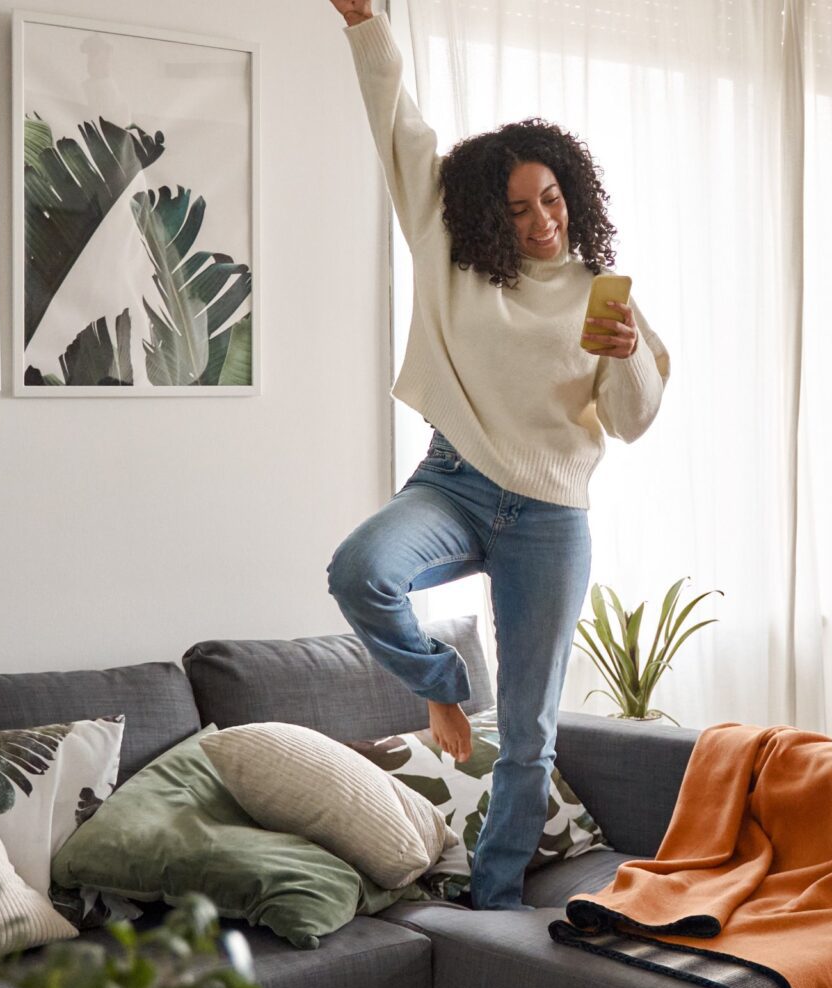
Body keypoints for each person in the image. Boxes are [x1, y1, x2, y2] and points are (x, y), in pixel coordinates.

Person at [322, 0, 669, 911]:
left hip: (551, 515)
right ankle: (442, 685)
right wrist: (365, 24)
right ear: (490, 212)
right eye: (519, 208)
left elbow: (629, 422)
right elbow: (401, 127)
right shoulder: (450, 249)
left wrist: (628, 355)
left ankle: (495, 901)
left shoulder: (601, 294)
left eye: (551, 199)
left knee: (528, 736)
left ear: (572, 196)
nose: (539, 220)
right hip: (456, 482)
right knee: (360, 570)